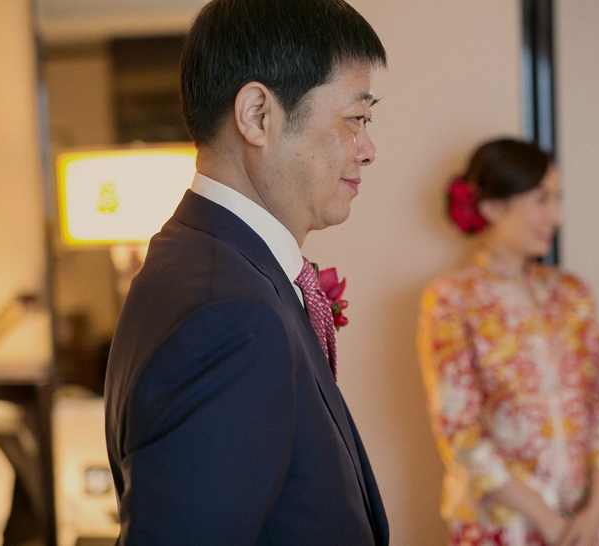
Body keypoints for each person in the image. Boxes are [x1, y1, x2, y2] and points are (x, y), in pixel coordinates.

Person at [103, 1, 388, 544]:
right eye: (356, 119)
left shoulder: (208, 261)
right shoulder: (227, 313)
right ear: (258, 115)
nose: (368, 149)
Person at [418, 139, 599, 546]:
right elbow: (460, 431)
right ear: (493, 207)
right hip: (498, 526)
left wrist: (597, 506)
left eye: (558, 198)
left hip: (580, 521)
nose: (556, 215)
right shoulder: (451, 299)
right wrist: (547, 521)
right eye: (541, 199)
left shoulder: (572, 293)